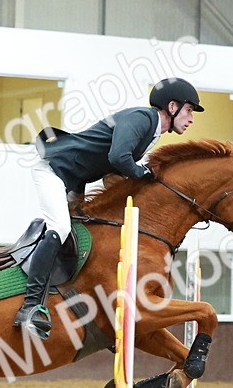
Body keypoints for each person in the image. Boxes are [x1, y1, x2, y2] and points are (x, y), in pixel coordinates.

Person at [13, 78, 202, 339]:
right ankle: (30, 306)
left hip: (74, 181)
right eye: (189, 110)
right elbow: (118, 158)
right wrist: (143, 174)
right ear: (172, 106)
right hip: (53, 172)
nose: (191, 118)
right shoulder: (142, 119)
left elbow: (111, 174)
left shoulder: (151, 131)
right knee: (59, 227)